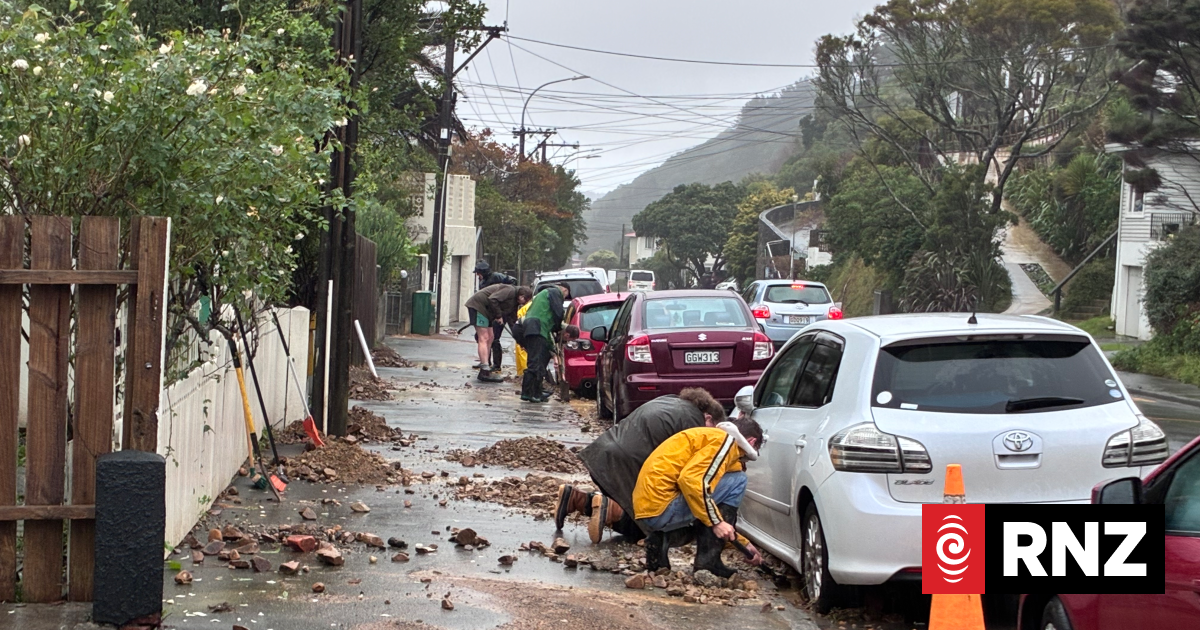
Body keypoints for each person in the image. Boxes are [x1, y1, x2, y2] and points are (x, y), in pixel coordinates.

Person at [556, 389, 727, 544]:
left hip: (601, 455)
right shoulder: (694, 424)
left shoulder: (669, 400)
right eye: (715, 430)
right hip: (624, 465)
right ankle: (608, 509)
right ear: (708, 418)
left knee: (637, 509)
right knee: (648, 526)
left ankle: (575, 499)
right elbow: (686, 474)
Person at [633, 417, 765, 576]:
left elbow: (700, 498)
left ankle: (662, 540)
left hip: (649, 508)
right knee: (738, 480)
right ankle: (708, 562)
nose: (743, 461)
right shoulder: (726, 443)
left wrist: (744, 544)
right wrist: (717, 523)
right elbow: (691, 481)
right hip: (663, 508)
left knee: (705, 507)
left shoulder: (709, 436)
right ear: (751, 442)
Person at [518, 283, 575, 402]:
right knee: (535, 362)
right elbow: (558, 313)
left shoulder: (543, 295)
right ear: (565, 290)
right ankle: (531, 393)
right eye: (565, 296)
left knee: (536, 361)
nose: (564, 298)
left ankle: (532, 392)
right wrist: (558, 327)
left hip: (532, 326)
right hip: (537, 328)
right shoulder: (555, 292)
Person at [464, 284, 531, 382]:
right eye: (526, 300)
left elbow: (513, 320)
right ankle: (484, 370)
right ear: (522, 297)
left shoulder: (514, 302)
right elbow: (493, 299)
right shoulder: (509, 290)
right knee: (484, 337)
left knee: (491, 337)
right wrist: (499, 316)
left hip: (486, 312)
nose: (525, 304)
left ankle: (486, 367)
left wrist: (520, 339)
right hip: (478, 306)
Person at [473, 261, 516, 371]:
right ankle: (485, 361)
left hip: (500, 312)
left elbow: (512, 281)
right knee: (480, 336)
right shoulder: (483, 282)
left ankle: (496, 365)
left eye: (478, 273)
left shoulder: (497, 276)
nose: (477, 275)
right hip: (489, 312)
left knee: (494, 338)